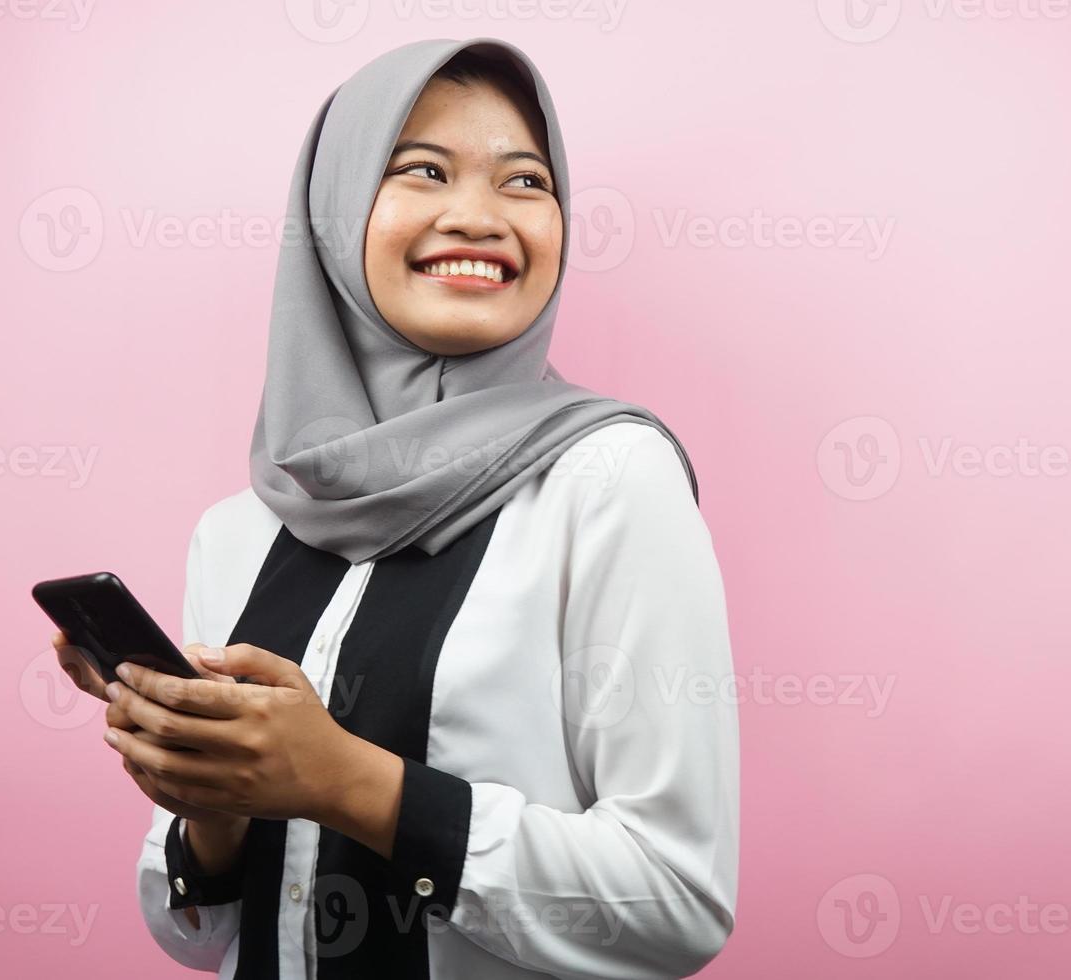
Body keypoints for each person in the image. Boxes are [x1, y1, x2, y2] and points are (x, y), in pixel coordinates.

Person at [53, 36, 739, 980]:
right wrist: (206, 803)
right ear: (332, 216)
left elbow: (676, 899)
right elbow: (199, 939)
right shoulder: (245, 527)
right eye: (422, 169)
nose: (478, 217)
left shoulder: (611, 480)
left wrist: (348, 783)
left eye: (525, 182)